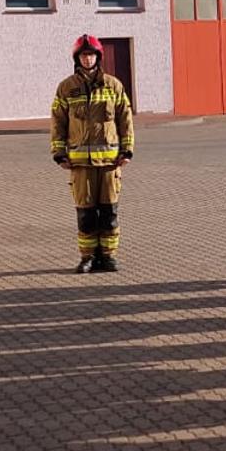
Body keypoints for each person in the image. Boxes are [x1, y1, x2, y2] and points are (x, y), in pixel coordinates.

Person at [51, 35, 134, 273]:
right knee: (86, 214)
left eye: (92, 55)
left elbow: (125, 119)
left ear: (98, 57)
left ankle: (107, 257)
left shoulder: (113, 85)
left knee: (108, 212)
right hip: (80, 165)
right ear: (77, 59)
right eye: (83, 55)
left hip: (110, 163)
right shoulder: (66, 88)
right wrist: (59, 152)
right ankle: (87, 257)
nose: (88, 59)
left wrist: (127, 149)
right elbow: (58, 122)